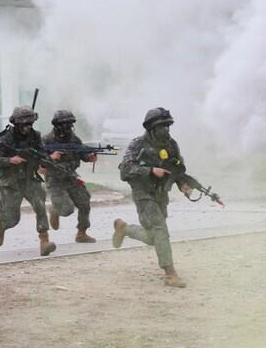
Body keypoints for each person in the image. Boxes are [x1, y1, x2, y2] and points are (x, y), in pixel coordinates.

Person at [113, 107, 193, 288]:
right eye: (161, 127)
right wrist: (150, 171)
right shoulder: (138, 144)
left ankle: (124, 228)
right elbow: (125, 171)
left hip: (160, 194)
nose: (165, 131)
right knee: (160, 229)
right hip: (143, 193)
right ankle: (170, 274)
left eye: (167, 126)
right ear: (151, 128)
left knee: (153, 237)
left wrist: (183, 185)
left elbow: (177, 170)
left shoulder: (171, 145)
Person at [0, 106, 59, 256]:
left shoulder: (35, 136)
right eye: (24, 124)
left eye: (30, 124)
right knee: (13, 220)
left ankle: (44, 241)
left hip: (29, 179)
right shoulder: (5, 138)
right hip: (11, 182)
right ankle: (0, 224)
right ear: (16, 123)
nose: (27, 127)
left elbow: (41, 154)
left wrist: (46, 162)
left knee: (40, 205)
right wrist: (10, 160)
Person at [43, 110, 97, 243]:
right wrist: (50, 157)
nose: (68, 127)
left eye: (70, 124)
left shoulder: (74, 139)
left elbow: (82, 153)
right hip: (54, 179)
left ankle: (81, 233)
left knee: (84, 202)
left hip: (71, 177)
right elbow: (36, 159)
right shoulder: (46, 140)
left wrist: (89, 157)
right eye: (65, 124)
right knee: (67, 210)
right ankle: (55, 209)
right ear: (57, 125)